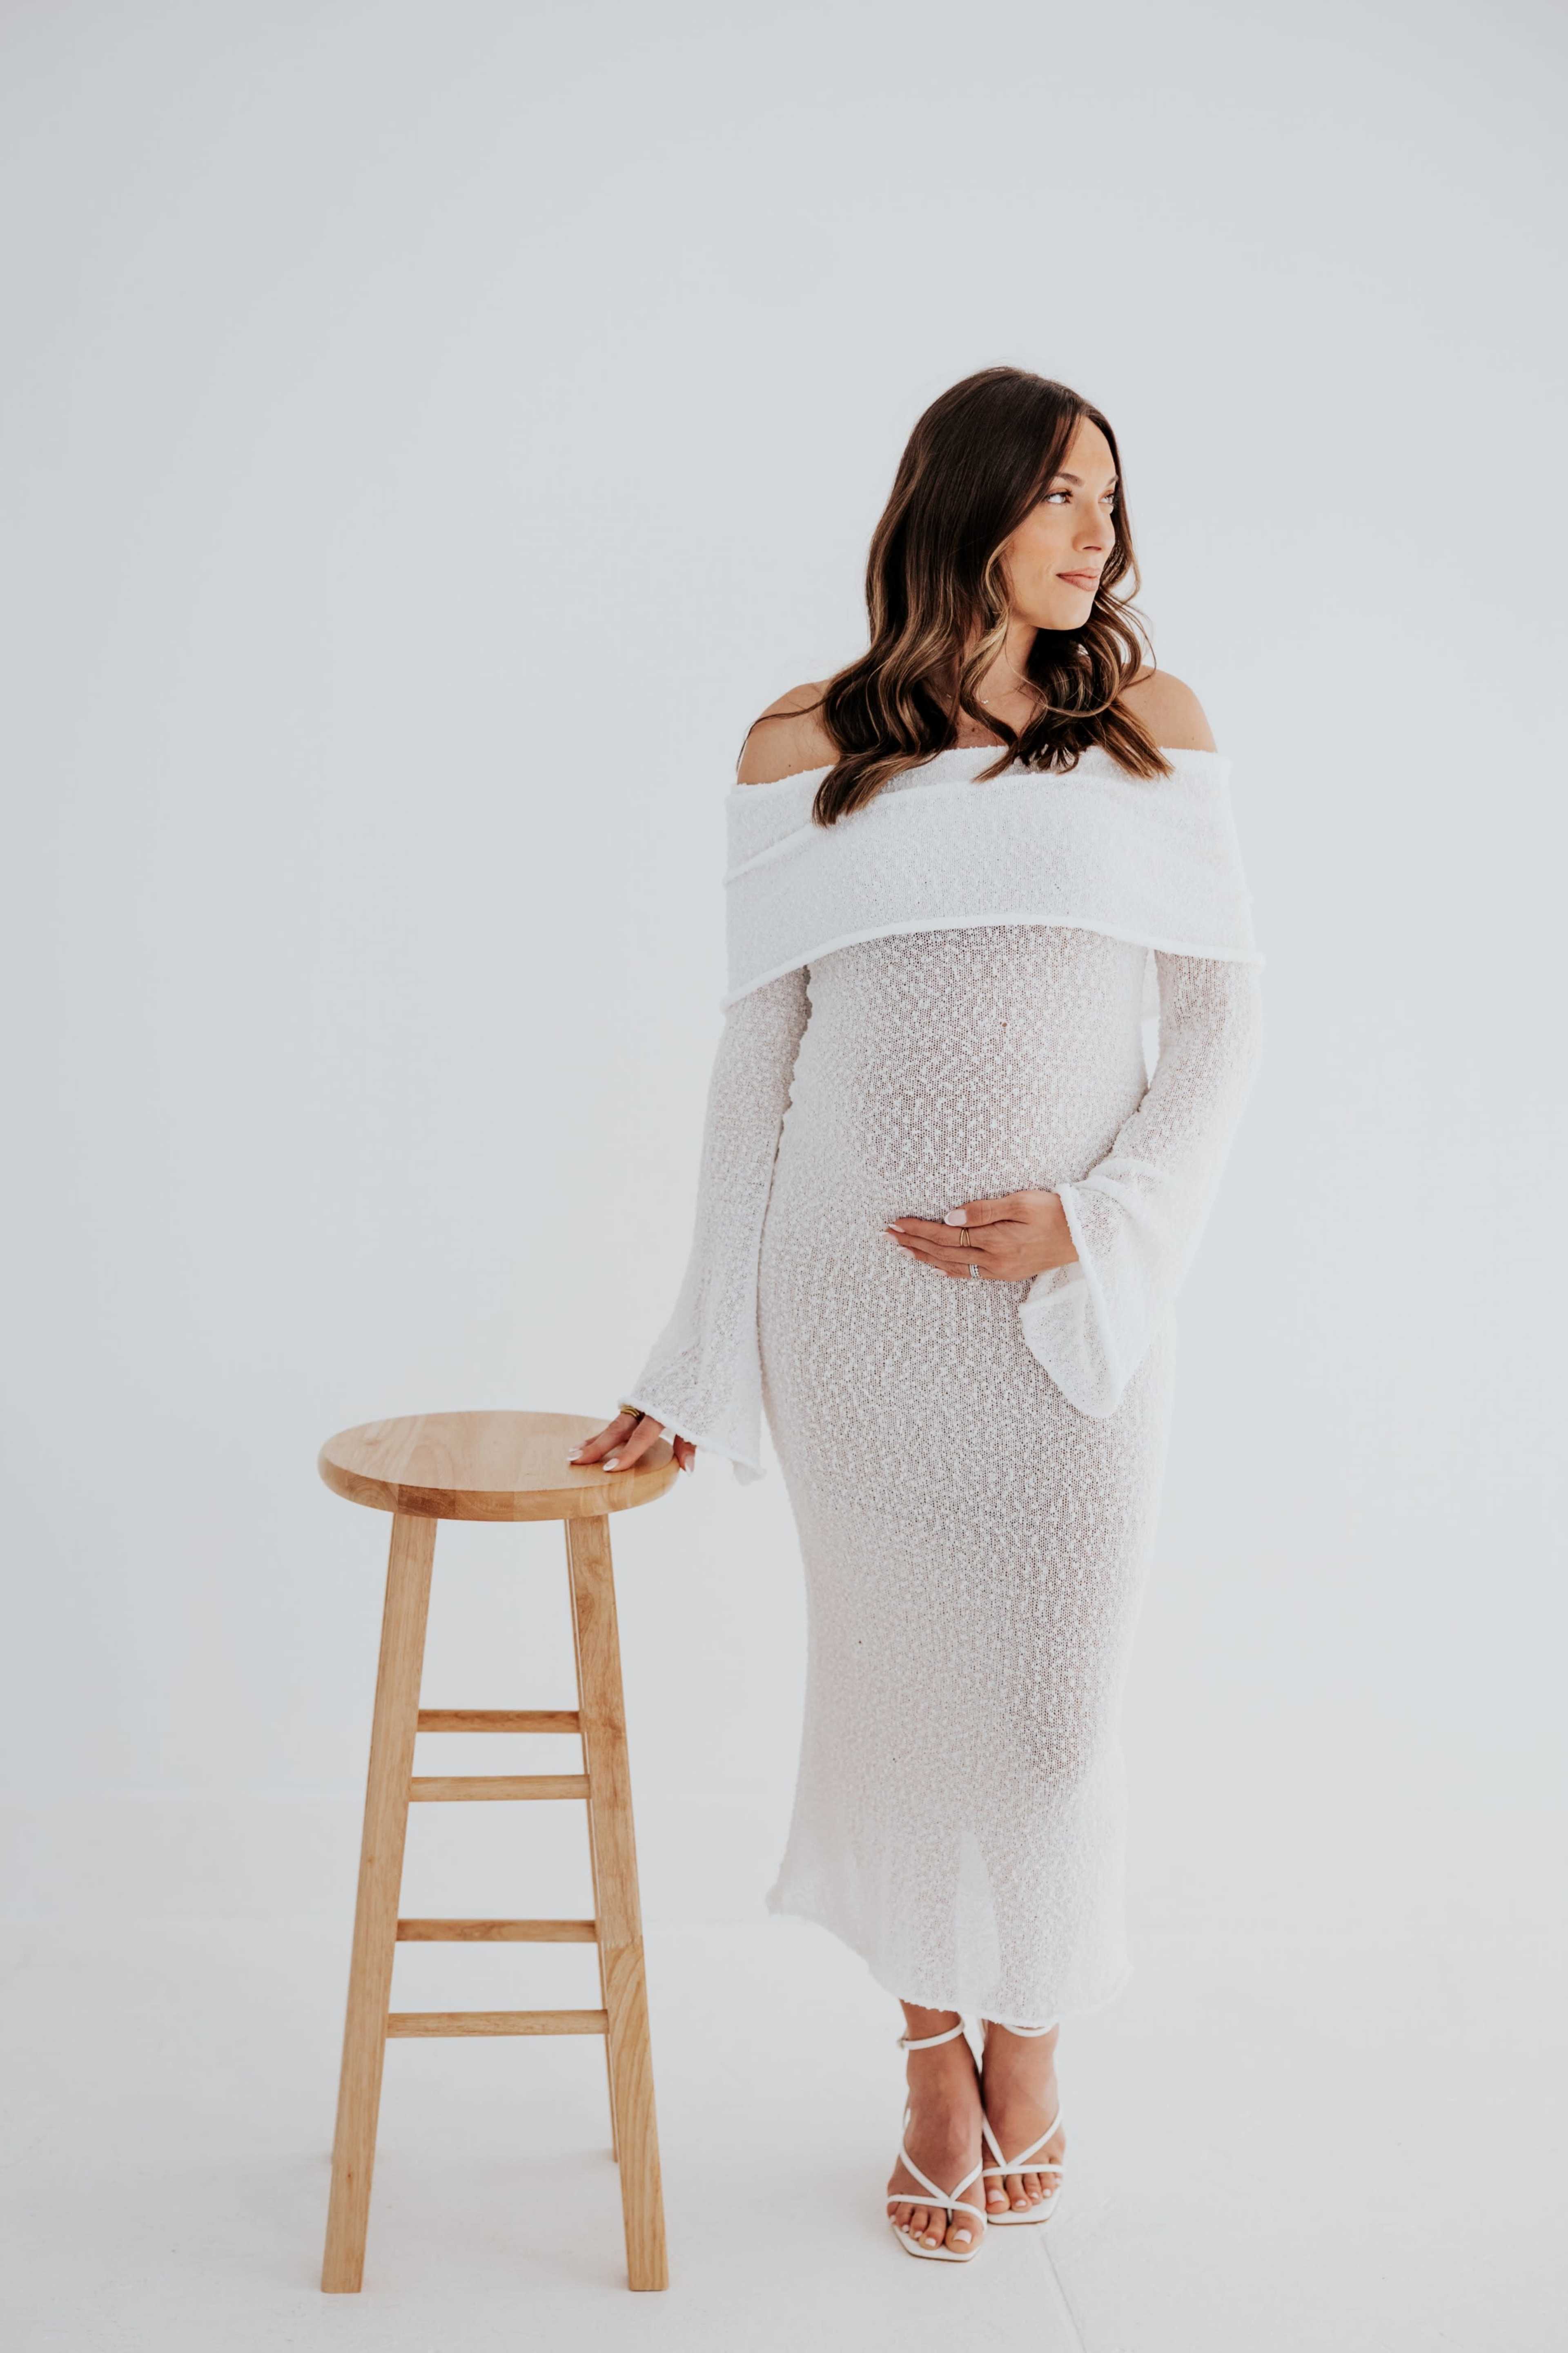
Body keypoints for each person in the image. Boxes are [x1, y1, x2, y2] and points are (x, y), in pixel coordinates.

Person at [569, 366, 1265, 2262]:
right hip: (855, 1316)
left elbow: (1218, 1033)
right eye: (1056, 492)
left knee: (1047, 1724)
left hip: (1075, 1322)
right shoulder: (801, 743)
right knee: (895, 1707)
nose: (1094, 530)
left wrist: (1099, 1221)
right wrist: (698, 1354)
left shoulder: (1150, 730)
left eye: (1108, 496)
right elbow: (755, 1063)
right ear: (960, 504)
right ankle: (932, 2058)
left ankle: (1028, 2023)